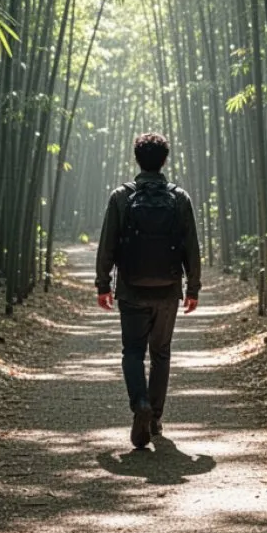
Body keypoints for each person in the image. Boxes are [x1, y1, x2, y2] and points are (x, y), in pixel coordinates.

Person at [95, 132, 202, 449]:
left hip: (131, 289)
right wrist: (193, 288)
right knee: (161, 353)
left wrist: (103, 284)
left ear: (137, 159)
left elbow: (107, 245)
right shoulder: (179, 198)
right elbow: (191, 248)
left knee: (132, 351)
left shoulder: (121, 196)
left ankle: (139, 403)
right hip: (168, 289)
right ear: (164, 160)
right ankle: (154, 418)